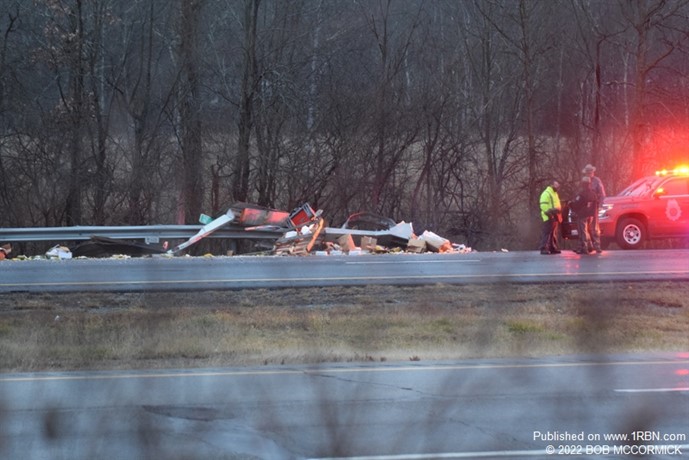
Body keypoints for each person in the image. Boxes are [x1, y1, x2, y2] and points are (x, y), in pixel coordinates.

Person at [569, 176, 597, 254]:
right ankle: (590, 246)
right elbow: (595, 205)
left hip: (582, 215)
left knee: (583, 231)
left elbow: (577, 204)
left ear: (583, 184)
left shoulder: (582, 194)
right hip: (590, 215)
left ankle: (584, 247)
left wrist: (571, 204)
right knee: (588, 230)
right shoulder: (593, 193)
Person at [582, 164, 606, 253]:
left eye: (590, 171)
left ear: (593, 172)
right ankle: (589, 245)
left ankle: (597, 245)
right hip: (584, 208)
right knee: (585, 228)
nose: (589, 173)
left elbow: (602, 194)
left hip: (593, 207)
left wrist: (600, 205)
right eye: (588, 172)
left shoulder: (597, 181)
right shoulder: (584, 181)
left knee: (595, 227)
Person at [538, 180, 562, 255]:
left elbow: (556, 204)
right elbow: (543, 206)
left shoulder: (554, 193)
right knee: (547, 233)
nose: (557, 187)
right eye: (556, 185)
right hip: (548, 216)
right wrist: (549, 214)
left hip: (555, 216)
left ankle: (552, 248)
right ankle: (543, 248)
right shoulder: (546, 193)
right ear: (551, 185)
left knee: (553, 233)